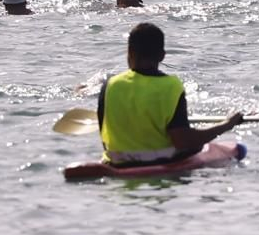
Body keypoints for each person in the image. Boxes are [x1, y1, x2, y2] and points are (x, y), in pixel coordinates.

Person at [97, 22, 243, 166]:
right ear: (162, 56)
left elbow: (104, 138)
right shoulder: (171, 86)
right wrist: (226, 125)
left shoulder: (110, 85)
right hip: (162, 161)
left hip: (116, 162)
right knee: (212, 147)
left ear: (129, 52)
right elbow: (182, 141)